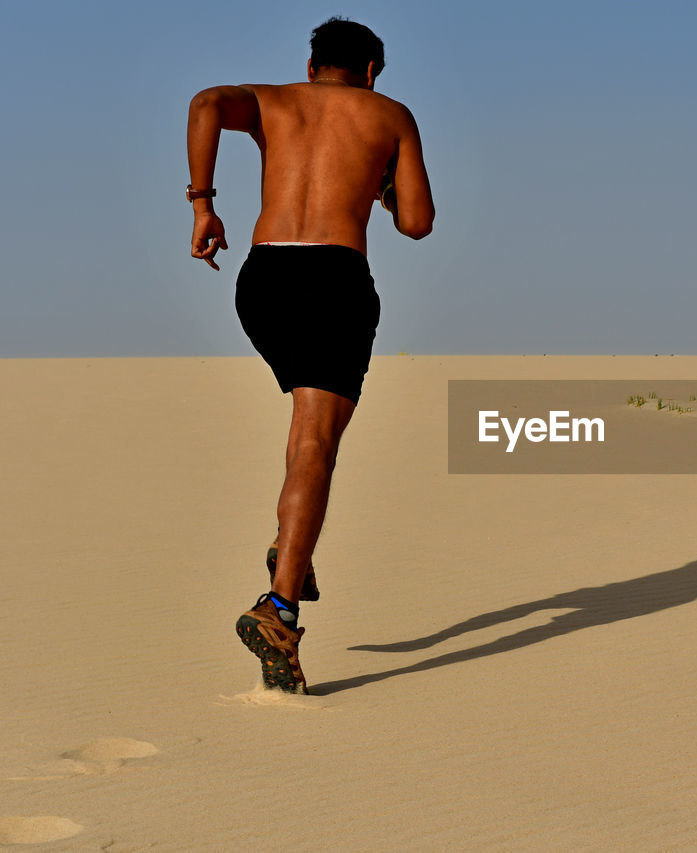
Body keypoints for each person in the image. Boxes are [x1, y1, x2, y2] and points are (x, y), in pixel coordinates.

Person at [185, 17, 435, 693]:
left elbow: (206, 102)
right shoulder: (389, 114)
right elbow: (416, 222)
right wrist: (380, 185)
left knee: (306, 432)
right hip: (332, 279)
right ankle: (279, 606)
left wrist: (203, 206)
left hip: (261, 282)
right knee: (314, 446)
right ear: (372, 70)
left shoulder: (271, 100)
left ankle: (287, 545)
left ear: (311, 63)